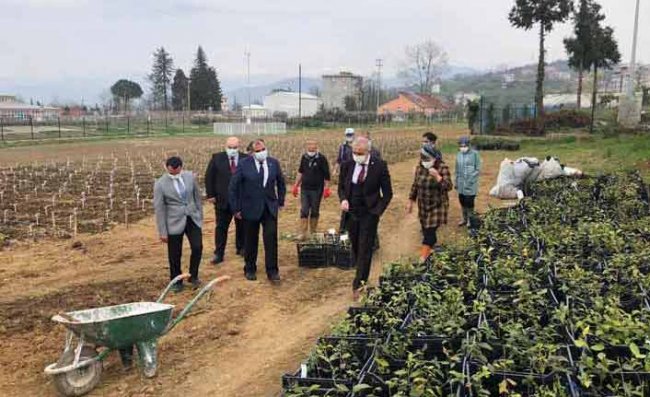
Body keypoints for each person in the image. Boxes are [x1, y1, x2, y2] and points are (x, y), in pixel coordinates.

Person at [338, 137, 393, 299]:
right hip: (352, 212)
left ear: (368, 152)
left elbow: (388, 193)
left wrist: (378, 210)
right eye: (354, 152)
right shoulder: (347, 164)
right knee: (355, 245)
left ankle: (359, 283)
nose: (356, 155)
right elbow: (341, 186)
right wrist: (343, 199)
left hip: (369, 213)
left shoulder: (379, 166)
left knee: (365, 248)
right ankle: (360, 271)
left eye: (360, 153)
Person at [229, 139, 286, 282]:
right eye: (258, 151)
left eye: (263, 149)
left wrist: (280, 201)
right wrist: (236, 208)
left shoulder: (273, 163)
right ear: (252, 153)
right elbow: (233, 187)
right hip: (250, 209)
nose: (261, 153)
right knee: (250, 240)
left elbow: (281, 182)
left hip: (269, 208)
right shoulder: (243, 165)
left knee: (271, 239)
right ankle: (249, 268)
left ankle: (272, 271)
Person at [153, 156, 203, 292]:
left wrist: (200, 216)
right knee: (175, 253)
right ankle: (176, 280)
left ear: (181, 167)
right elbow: (159, 209)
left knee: (197, 247)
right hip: (173, 222)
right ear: (166, 168)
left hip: (192, 218)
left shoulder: (189, 177)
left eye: (177, 171)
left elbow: (197, 197)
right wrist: (162, 232)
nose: (174, 173)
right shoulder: (160, 184)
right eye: (171, 172)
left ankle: (193, 276)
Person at [204, 136, 248, 264]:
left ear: (239, 147)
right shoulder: (217, 158)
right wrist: (210, 194)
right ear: (225, 146)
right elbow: (209, 177)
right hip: (222, 200)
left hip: (240, 200)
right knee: (221, 227)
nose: (232, 150)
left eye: (235, 148)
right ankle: (219, 253)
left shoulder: (246, 159)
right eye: (230, 148)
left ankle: (241, 248)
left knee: (242, 226)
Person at [406, 143, 453, 262]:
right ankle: (431, 249)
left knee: (429, 233)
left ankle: (423, 258)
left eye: (427, 159)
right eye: (422, 158)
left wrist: (438, 177)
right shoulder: (420, 167)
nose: (424, 161)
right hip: (423, 206)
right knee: (426, 229)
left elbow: (448, 186)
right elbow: (415, 185)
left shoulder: (442, 168)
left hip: (438, 206)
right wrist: (411, 201)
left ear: (435, 158)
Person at [292, 140, 331, 240]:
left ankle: (313, 232)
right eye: (309, 144)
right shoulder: (304, 158)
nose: (311, 146)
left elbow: (327, 175)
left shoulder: (322, 159)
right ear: (306, 146)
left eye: (313, 144)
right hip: (305, 188)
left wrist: (326, 188)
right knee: (304, 210)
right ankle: (303, 233)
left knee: (314, 210)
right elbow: (300, 172)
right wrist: (296, 186)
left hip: (317, 189)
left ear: (316, 146)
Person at [455, 136, 481, 227]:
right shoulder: (458, 155)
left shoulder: (475, 154)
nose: (463, 147)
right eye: (461, 146)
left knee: (469, 202)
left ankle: (470, 220)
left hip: (470, 184)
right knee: (462, 201)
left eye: (464, 145)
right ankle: (464, 219)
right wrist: (456, 182)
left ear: (468, 145)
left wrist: (471, 179)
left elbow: (477, 169)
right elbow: (457, 169)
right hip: (461, 183)